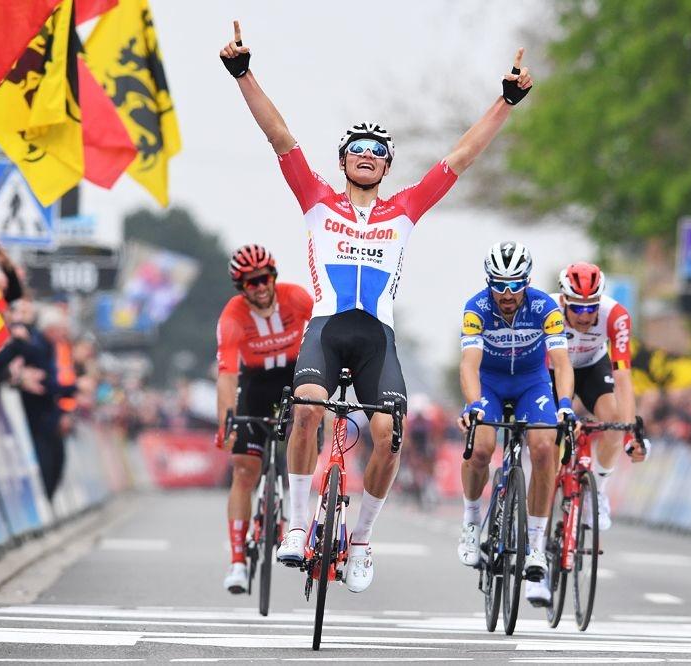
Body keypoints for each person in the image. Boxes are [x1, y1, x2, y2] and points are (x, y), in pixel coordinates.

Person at [220, 20, 534, 593]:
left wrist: (506, 101)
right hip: (326, 328)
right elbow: (281, 136)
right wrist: (243, 74)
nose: (367, 156)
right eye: (357, 150)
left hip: (377, 340)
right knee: (308, 410)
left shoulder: (406, 210)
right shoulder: (316, 200)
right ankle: (295, 527)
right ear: (344, 162)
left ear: (387, 167)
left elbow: (461, 157)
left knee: (389, 434)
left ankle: (361, 539)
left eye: (377, 152)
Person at [456, 241, 575, 608]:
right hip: (490, 383)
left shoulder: (545, 307)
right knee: (481, 448)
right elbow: (469, 365)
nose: (507, 294)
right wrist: (474, 405)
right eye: (499, 285)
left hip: (531, 383)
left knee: (543, 449)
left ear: (527, 281)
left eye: (515, 284)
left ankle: (536, 546)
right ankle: (472, 522)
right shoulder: (476, 308)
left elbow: (561, 361)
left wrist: (566, 405)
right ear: (488, 282)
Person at [215, 245, 313, 594]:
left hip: (292, 377)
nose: (259, 286)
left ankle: (294, 523)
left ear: (274, 276)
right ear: (240, 287)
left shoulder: (297, 298)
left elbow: (322, 335)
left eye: (264, 278)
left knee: (303, 440)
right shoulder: (232, 316)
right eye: (249, 282)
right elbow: (226, 374)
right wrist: (225, 420)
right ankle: (238, 561)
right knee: (244, 468)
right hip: (254, 384)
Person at [551, 262, 647, 530]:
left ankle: (598, 491)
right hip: (553, 368)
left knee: (613, 421)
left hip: (593, 366)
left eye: (591, 307)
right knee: (547, 437)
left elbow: (623, 376)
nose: (584, 315)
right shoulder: (548, 311)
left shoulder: (615, 315)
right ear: (563, 300)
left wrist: (630, 432)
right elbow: (557, 371)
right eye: (577, 308)